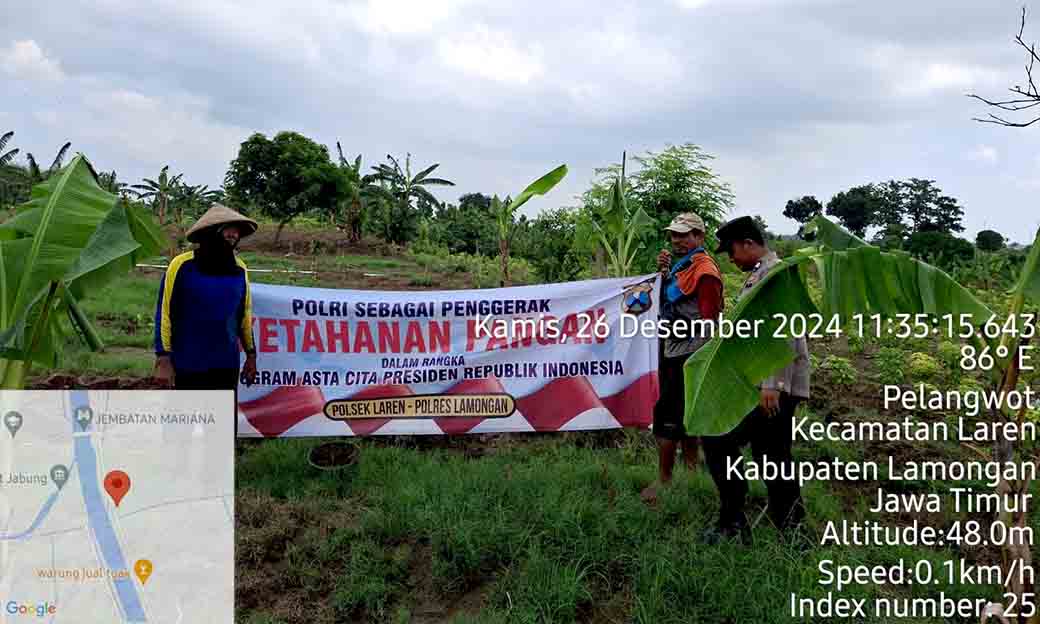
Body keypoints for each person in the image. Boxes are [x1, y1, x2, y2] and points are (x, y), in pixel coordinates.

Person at [702, 215, 810, 542]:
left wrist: (771, 384)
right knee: (771, 455)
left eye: (732, 250)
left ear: (749, 243)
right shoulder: (758, 274)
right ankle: (789, 527)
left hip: (774, 386)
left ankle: (739, 522)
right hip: (763, 383)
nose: (730, 258)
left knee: (722, 439)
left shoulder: (775, 275)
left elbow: (783, 329)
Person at [640, 213, 724, 504]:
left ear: (700, 237)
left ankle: (663, 480)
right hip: (674, 347)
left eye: (684, 234)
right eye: (674, 234)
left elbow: (710, 318)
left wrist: (700, 354)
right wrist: (663, 274)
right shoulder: (685, 266)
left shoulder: (705, 271)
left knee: (667, 415)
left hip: (689, 352)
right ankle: (690, 473)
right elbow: (673, 298)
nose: (677, 240)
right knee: (686, 414)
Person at [154, 203, 259, 392]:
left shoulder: (240, 269)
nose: (234, 234)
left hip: (226, 365)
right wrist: (163, 358)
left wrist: (251, 355)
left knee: (223, 421)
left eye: (237, 231)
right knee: (186, 420)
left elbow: (244, 315)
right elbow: (164, 312)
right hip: (188, 364)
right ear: (211, 232)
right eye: (228, 229)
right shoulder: (182, 265)